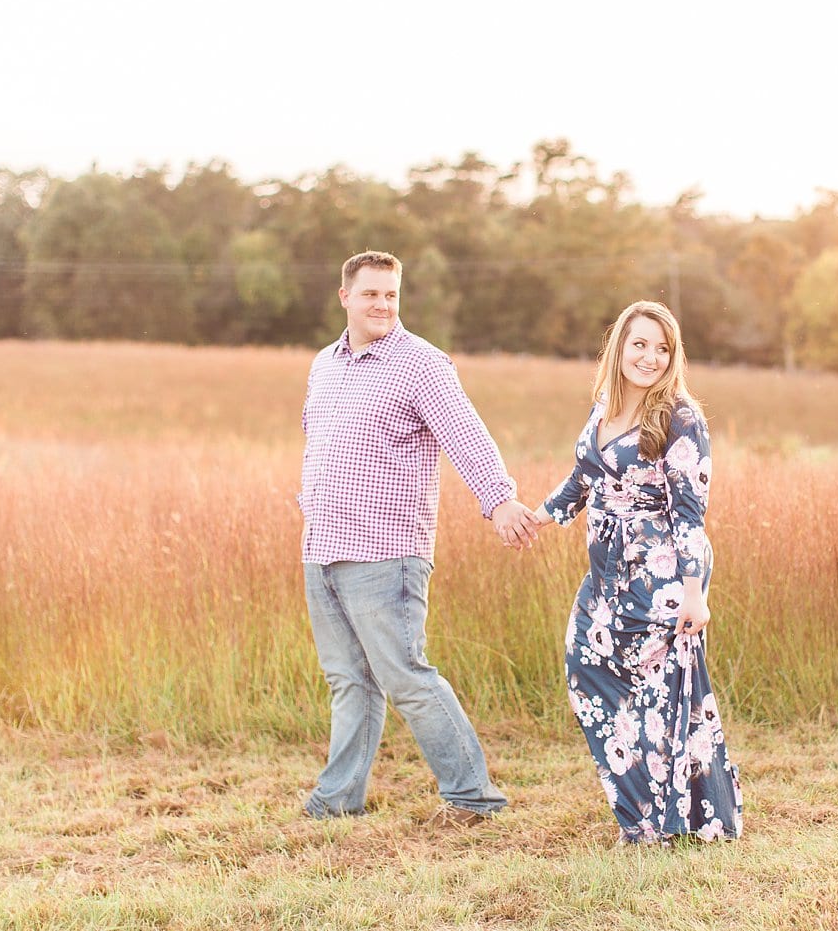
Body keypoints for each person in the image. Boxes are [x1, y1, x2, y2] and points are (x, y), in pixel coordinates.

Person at [297, 249, 539, 829]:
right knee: (348, 680)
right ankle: (337, 801)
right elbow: (317, 437)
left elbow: (464, 434)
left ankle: (473, 799)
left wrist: (498, 497)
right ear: (345, 297)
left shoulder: (422, 364)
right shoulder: (324, 365)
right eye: (371, 293)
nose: (382, 304)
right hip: (322, 546)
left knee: (405, 675)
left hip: (386, 552)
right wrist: (309, 499)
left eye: (391, 295)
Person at [531, 300, 742, 844]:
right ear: (619, 347)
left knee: (659, 693)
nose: (649, 357)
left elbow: (692, 513)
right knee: (585, 667)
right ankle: (645, 814)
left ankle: (655, 825)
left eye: (662, 347)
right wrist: (538, 518)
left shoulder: (679, 416)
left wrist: (695, 594)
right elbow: (583, 478)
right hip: (606, 571)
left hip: (663, 572)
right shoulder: (605, 407)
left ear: (673, 357)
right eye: (640, 344)